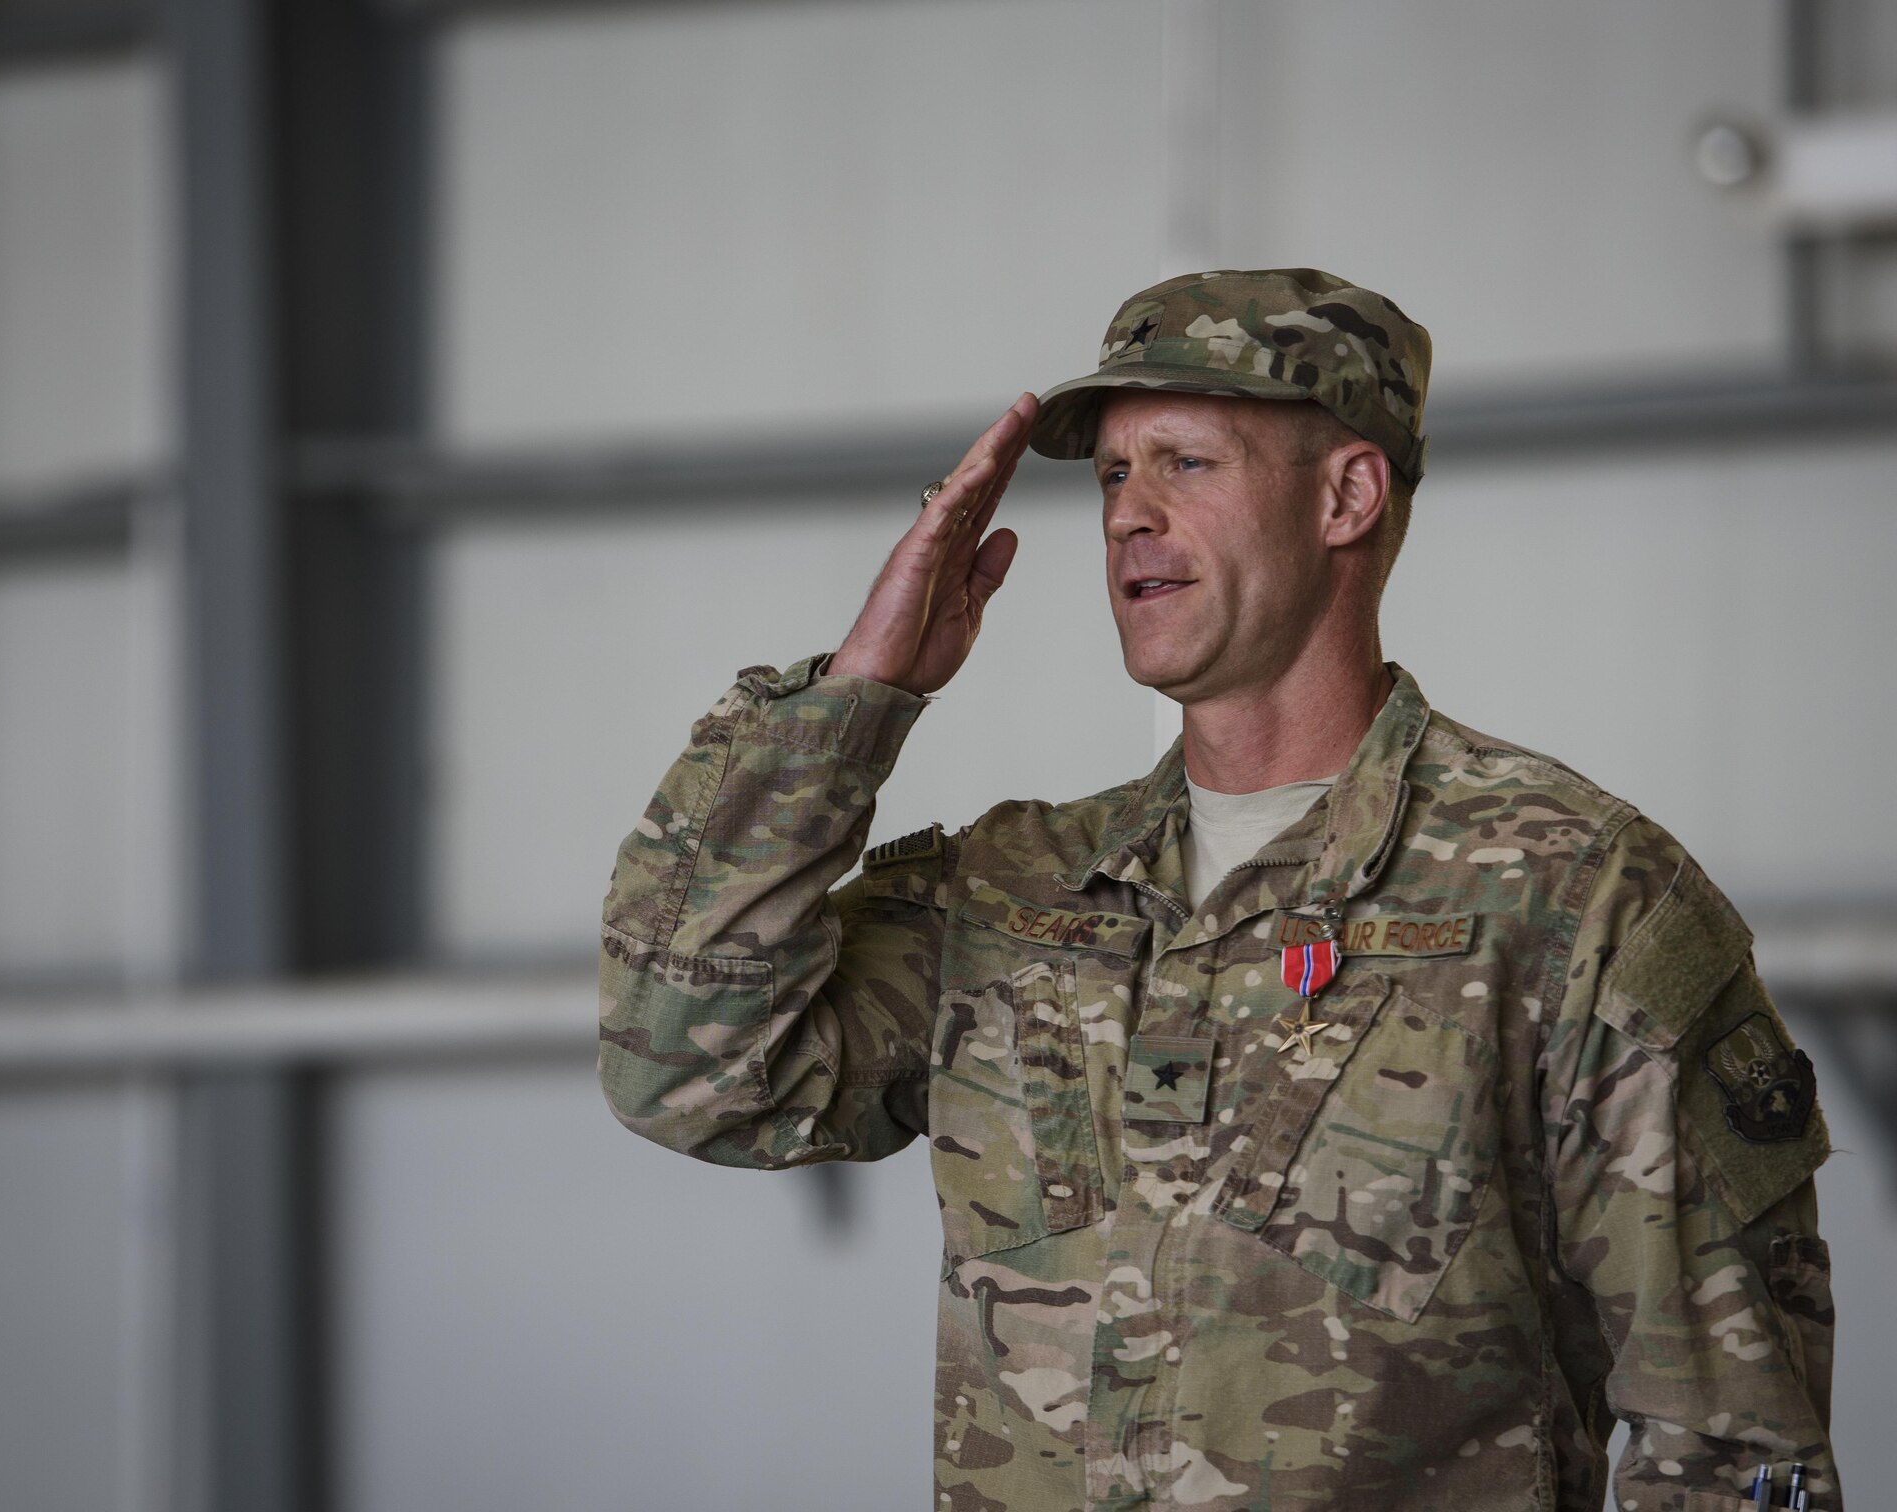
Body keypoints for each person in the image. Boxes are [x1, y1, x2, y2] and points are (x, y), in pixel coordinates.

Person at [597, 268, 1840, 1511]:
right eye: (1109, 478)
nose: (1127, 515)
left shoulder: (1575, 900)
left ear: (1345, 495)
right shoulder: (1010, 896)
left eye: (1183, 463)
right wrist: (858, 695)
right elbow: (690, 1072)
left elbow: (1732, 1456)